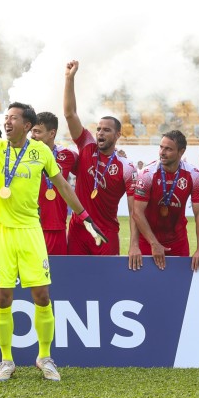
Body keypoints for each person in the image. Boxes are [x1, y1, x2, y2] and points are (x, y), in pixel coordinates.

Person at [0, 102, 106, 383]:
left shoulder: (41, 151)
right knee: (3, 298)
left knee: (42, 296)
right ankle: (6, 360)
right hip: (2, 232)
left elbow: (64, 186)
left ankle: (44, 357)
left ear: (27, 125)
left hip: (31, 231)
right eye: (5, 118)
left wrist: (84, 216)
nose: (7, 122)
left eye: (13, 118)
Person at [63, 60, 137, 255]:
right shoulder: (86, 145)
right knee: (75, 280)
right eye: (98, 129)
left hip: (107, 232)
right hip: (79, 229)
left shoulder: (127, 167)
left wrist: (134, 245)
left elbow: (134, 211)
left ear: (118, 135)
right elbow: (70, 114)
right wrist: (69, 79)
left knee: (106, 283)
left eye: (106, 130)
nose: (100, 133)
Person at [129, 130, 199, 271]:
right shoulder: (147, 174)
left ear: (181, 152)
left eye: (168, 149)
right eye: (161, 147)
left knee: (179, 287)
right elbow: (137, 212)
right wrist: (152, 244)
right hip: (147, 240)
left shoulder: (194, 175)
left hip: (178, 241)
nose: (162, 152)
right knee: (146, 286)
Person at [30, 112, 77, 256]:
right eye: (31, 131)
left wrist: (117, 153)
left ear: (52, 133)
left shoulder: (68, 156)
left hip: (55, 226)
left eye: (37, 131)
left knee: (57, 273)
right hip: (28, 226)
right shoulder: (23, 154)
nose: (32, 135)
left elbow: (90, 169)